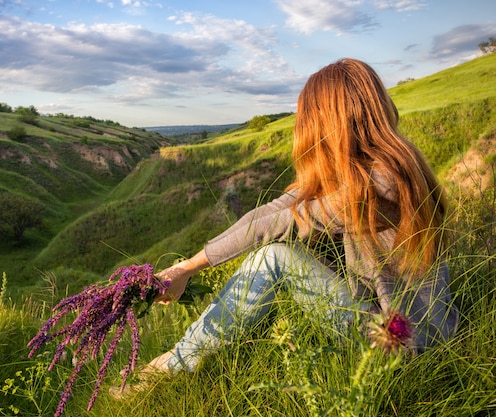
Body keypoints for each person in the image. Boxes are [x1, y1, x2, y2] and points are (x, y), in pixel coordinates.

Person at [136, 58, 458, 380]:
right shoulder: (382, 166)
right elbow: (269, 210)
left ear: (329, 121)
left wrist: (188, 268)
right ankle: (180, 357)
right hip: (407, 327)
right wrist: (183, 268)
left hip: (402, 345)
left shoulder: (379, 183)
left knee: (274, 257)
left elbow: (278, 224)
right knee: (279, 250)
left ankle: (174, 365)